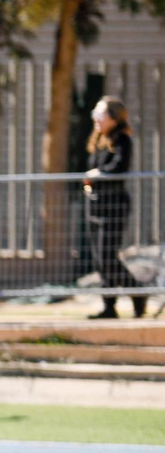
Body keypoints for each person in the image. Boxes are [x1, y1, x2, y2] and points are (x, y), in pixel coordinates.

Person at [83, 96, 148, 320]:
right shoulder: (99, 139)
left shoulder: (122, 140)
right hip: (95, 205)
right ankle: (109, 306)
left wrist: (98, 176)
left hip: (114, 206)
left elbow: (118, 167)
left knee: (108, 257)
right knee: (101, 259)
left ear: (114, 117)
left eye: (100, 113)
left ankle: (138, 291)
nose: (96, 118)